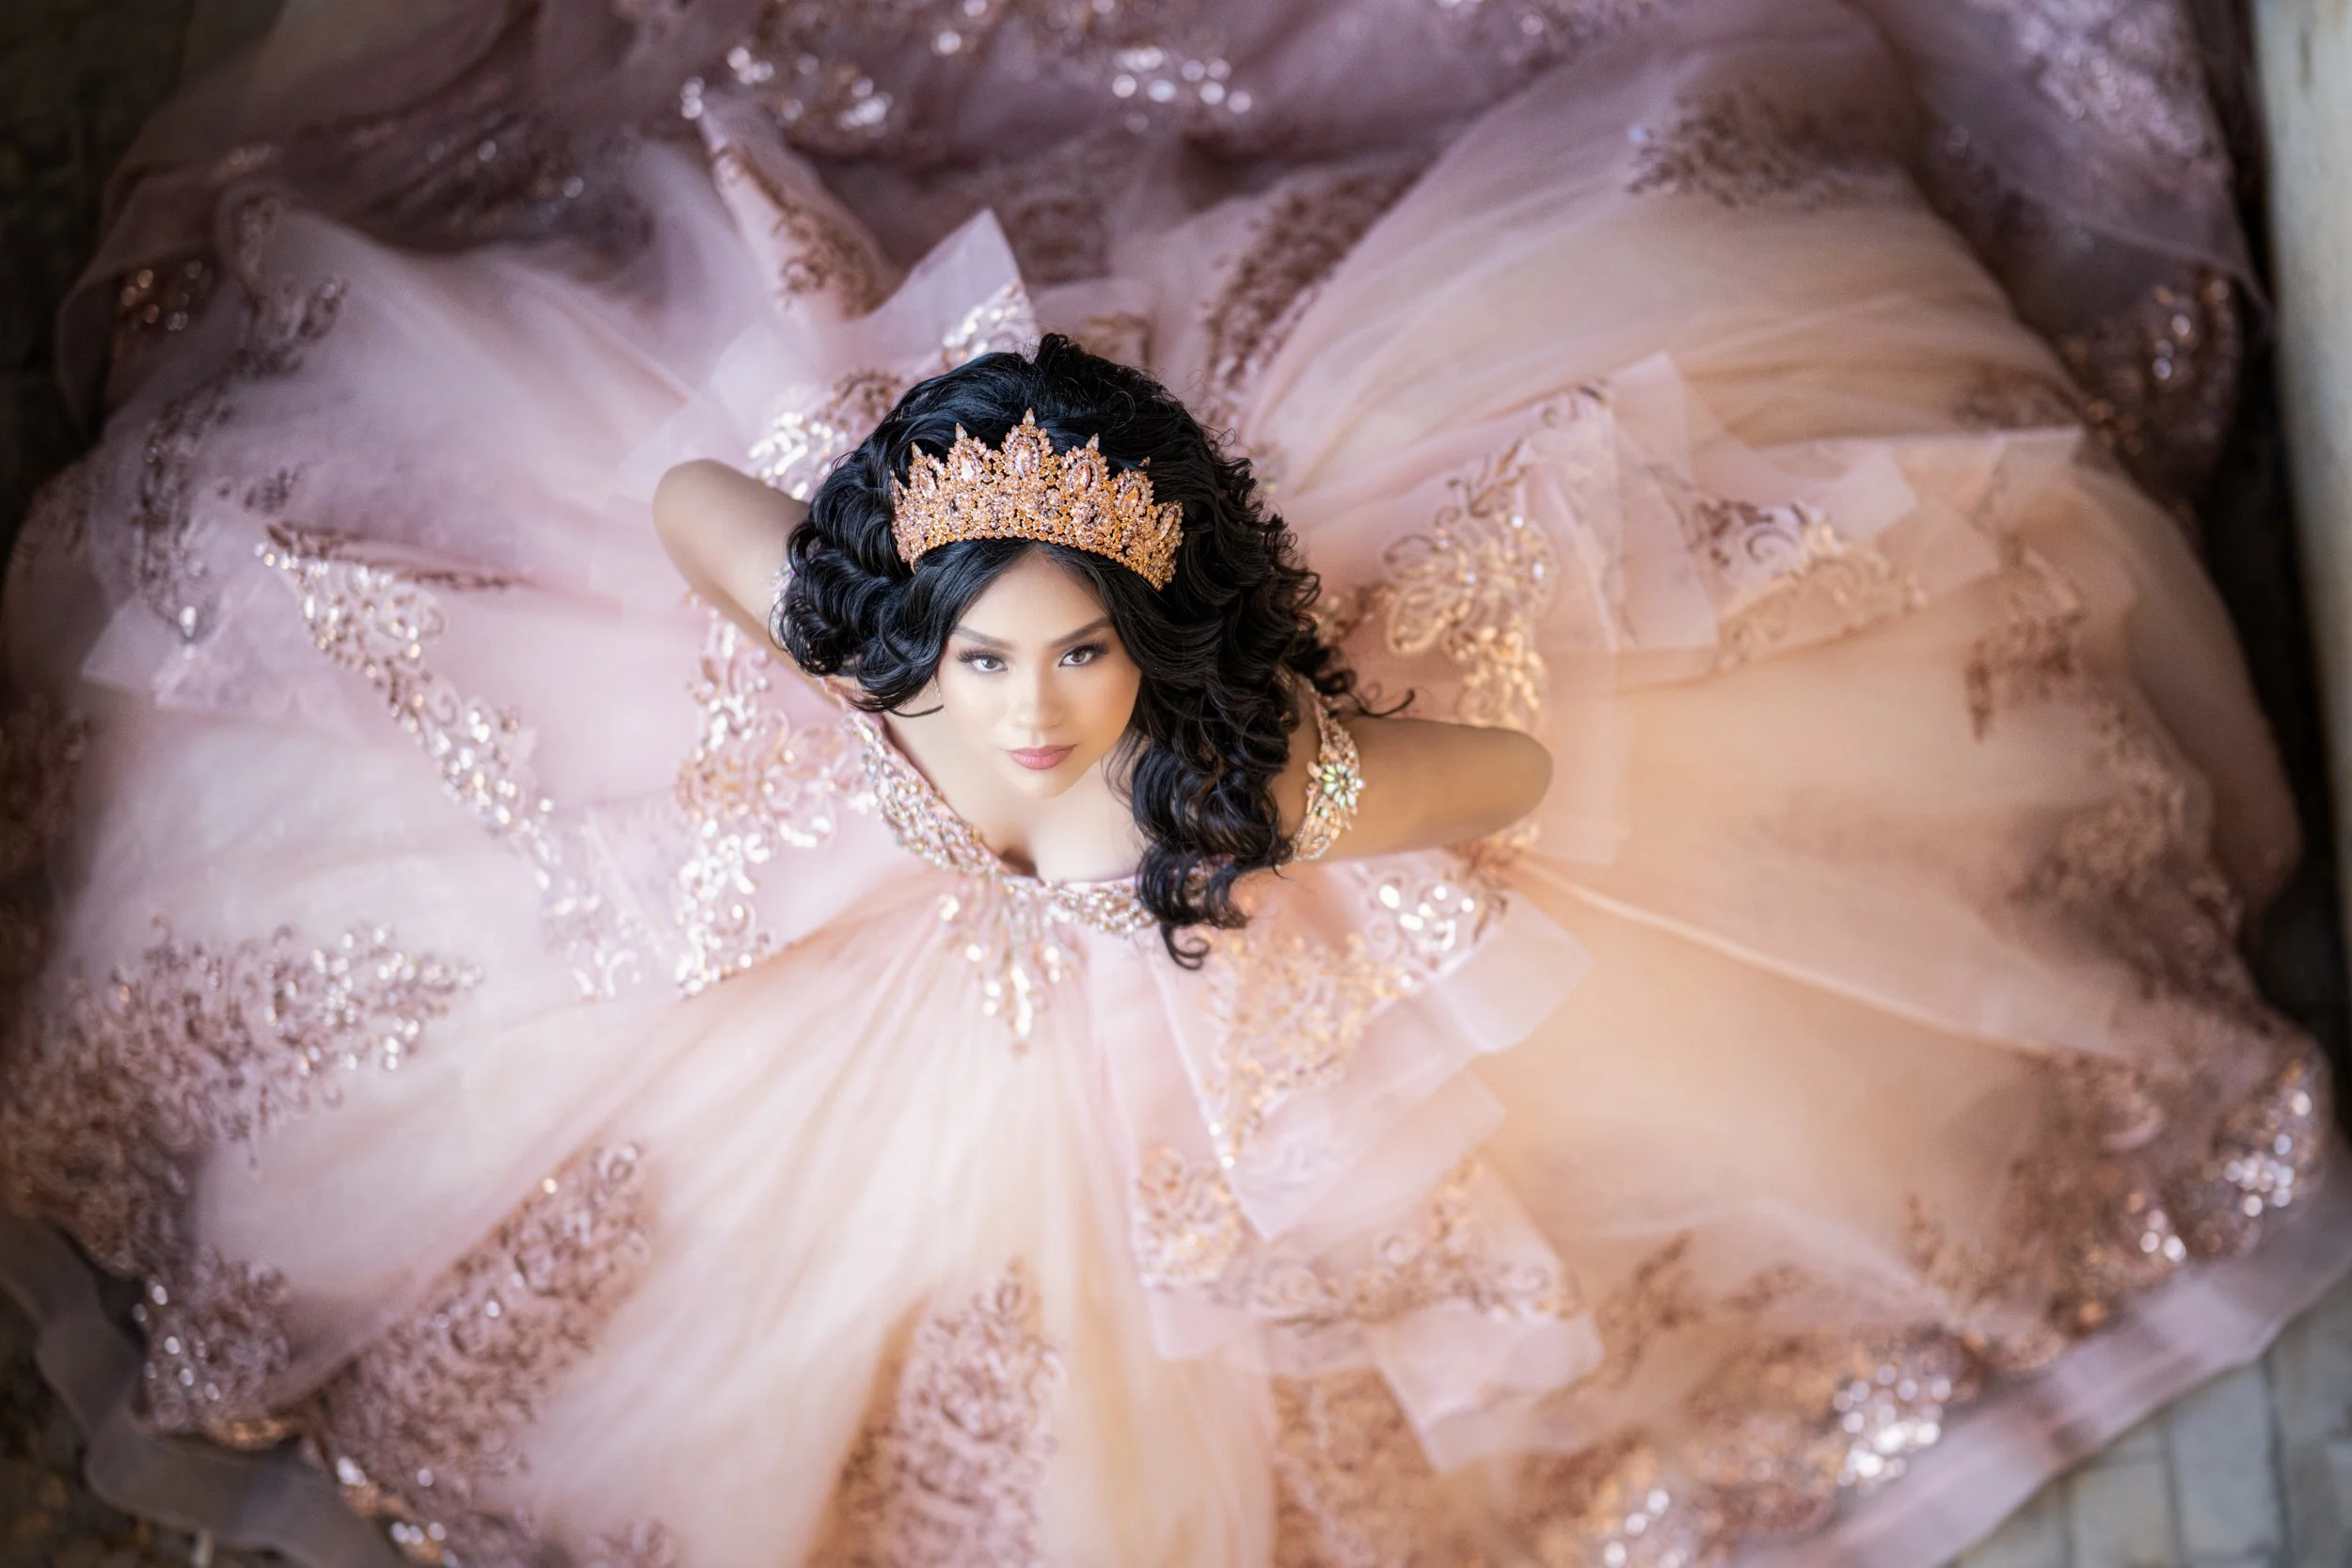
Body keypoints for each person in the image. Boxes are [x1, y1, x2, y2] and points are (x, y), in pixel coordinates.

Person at [3, 1, 2347, 1565]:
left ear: (1148, 643)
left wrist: (1311, 790)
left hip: (1238, 936)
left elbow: (1507, 756)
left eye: (1078, 661)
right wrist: (837, 606)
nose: (1030, 715)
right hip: (875, 917)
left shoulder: (1222, 754)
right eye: (989, 665)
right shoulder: (876, 640)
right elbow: (701, 523)